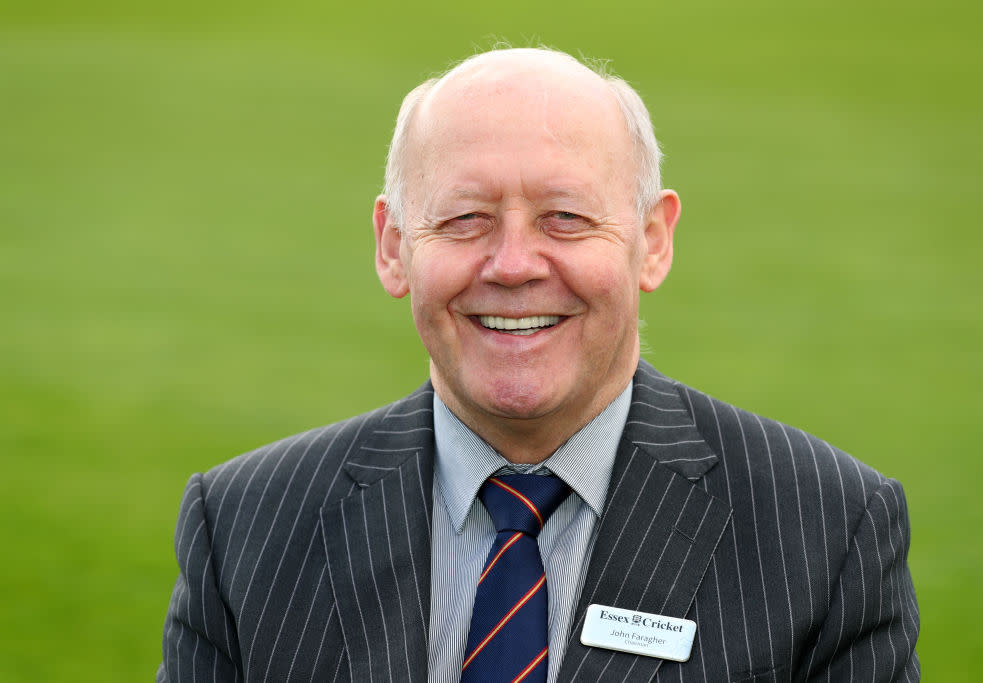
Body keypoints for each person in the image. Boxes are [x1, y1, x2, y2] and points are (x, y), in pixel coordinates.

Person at [158, 47, 920, 682]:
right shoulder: (244, 527)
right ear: (394, 248)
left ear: (652, 240)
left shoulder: (827, 533)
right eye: (465, 219)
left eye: (566, 217)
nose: (514, 264)